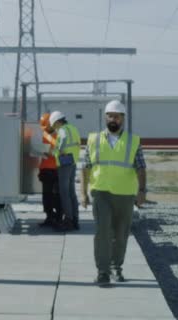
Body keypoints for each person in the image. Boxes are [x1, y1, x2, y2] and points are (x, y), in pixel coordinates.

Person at [81, 100, 146, 286]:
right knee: (102, 232)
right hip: (101, 193)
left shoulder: (133, 141)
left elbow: (141, 167)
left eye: (117, 116)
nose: (113, 119)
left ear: (123, 119)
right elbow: (85, 168)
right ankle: (103, 272)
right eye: (110, 115)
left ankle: (116, 267)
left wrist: (142, 191)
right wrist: (83, 193)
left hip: (125, 195)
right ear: (105, 117)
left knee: (121, 234)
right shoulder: (93, 140)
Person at [49, 111, 81, 231]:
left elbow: (61, 145)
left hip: (64, 163)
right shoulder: (73, 128)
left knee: (64, 193)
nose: (54, 128)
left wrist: (54, 152)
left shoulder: (62, 130)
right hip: (72, 162)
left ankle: (68, 220)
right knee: (71, 192)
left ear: (57, 122)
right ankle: (75, 219)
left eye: (54, 125)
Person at [37, 113, 63, 227]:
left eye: (47, 126)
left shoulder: (60, 136)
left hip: (56, 170)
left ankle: (58, 217)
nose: (46, 129)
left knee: (56, 195)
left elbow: (61, 151)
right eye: (44, 127)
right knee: (47, 196)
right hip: (45, 170)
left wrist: (51, 152)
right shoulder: (43, 136)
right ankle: (49, 217)